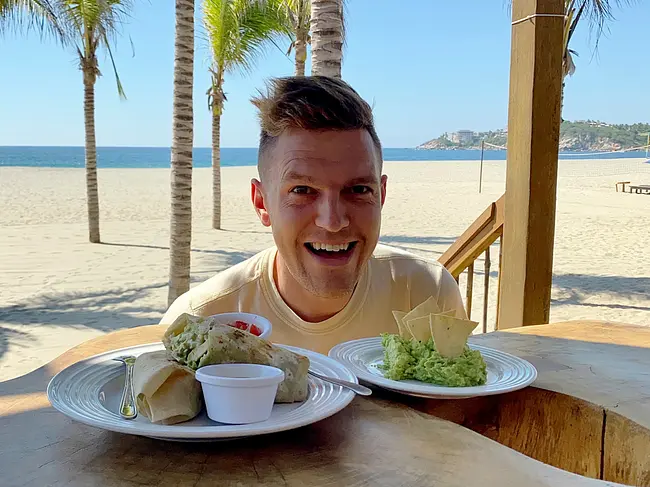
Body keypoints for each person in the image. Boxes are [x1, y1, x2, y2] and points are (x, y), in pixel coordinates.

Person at [160, 76, 466, 354]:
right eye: (302, 190)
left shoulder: (427, 294)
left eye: (359, 190)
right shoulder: (201, 320)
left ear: (381, 196)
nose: (332, 221)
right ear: (262, 203)